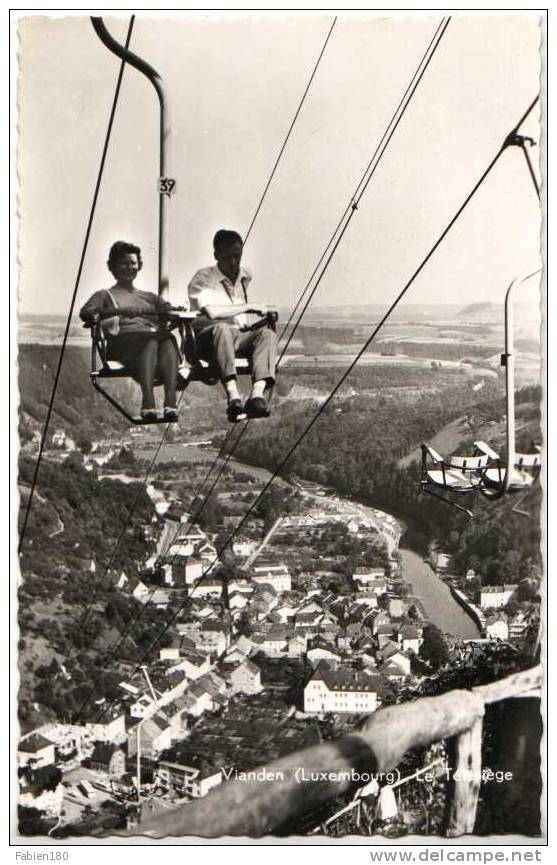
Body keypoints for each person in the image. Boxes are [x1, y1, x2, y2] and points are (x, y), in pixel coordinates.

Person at [80, 241, 180, 421]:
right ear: (113, 267)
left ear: (139, 266)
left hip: (151, 341)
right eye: (124, 263)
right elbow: (86, 312)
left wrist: (172, 311)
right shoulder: (105, 295)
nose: (129, 267)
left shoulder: (149, 297)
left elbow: (167, 309)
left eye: (133, 263)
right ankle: (148, 402)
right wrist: (119, 311)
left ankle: (170, 402)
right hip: (122, 342)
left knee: (168, 340)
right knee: (151, 341)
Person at [187, 229, 278, 422]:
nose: (234, 262)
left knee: (267, 335)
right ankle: (233, 396)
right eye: (228, 257)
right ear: (216, 255)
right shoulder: (204, 278)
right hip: (208, 339)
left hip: (235, 336)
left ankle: (257, 395)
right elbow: (213, 312)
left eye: (238, 256)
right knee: (222, 328)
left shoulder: (244, 276)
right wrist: (249, 306)